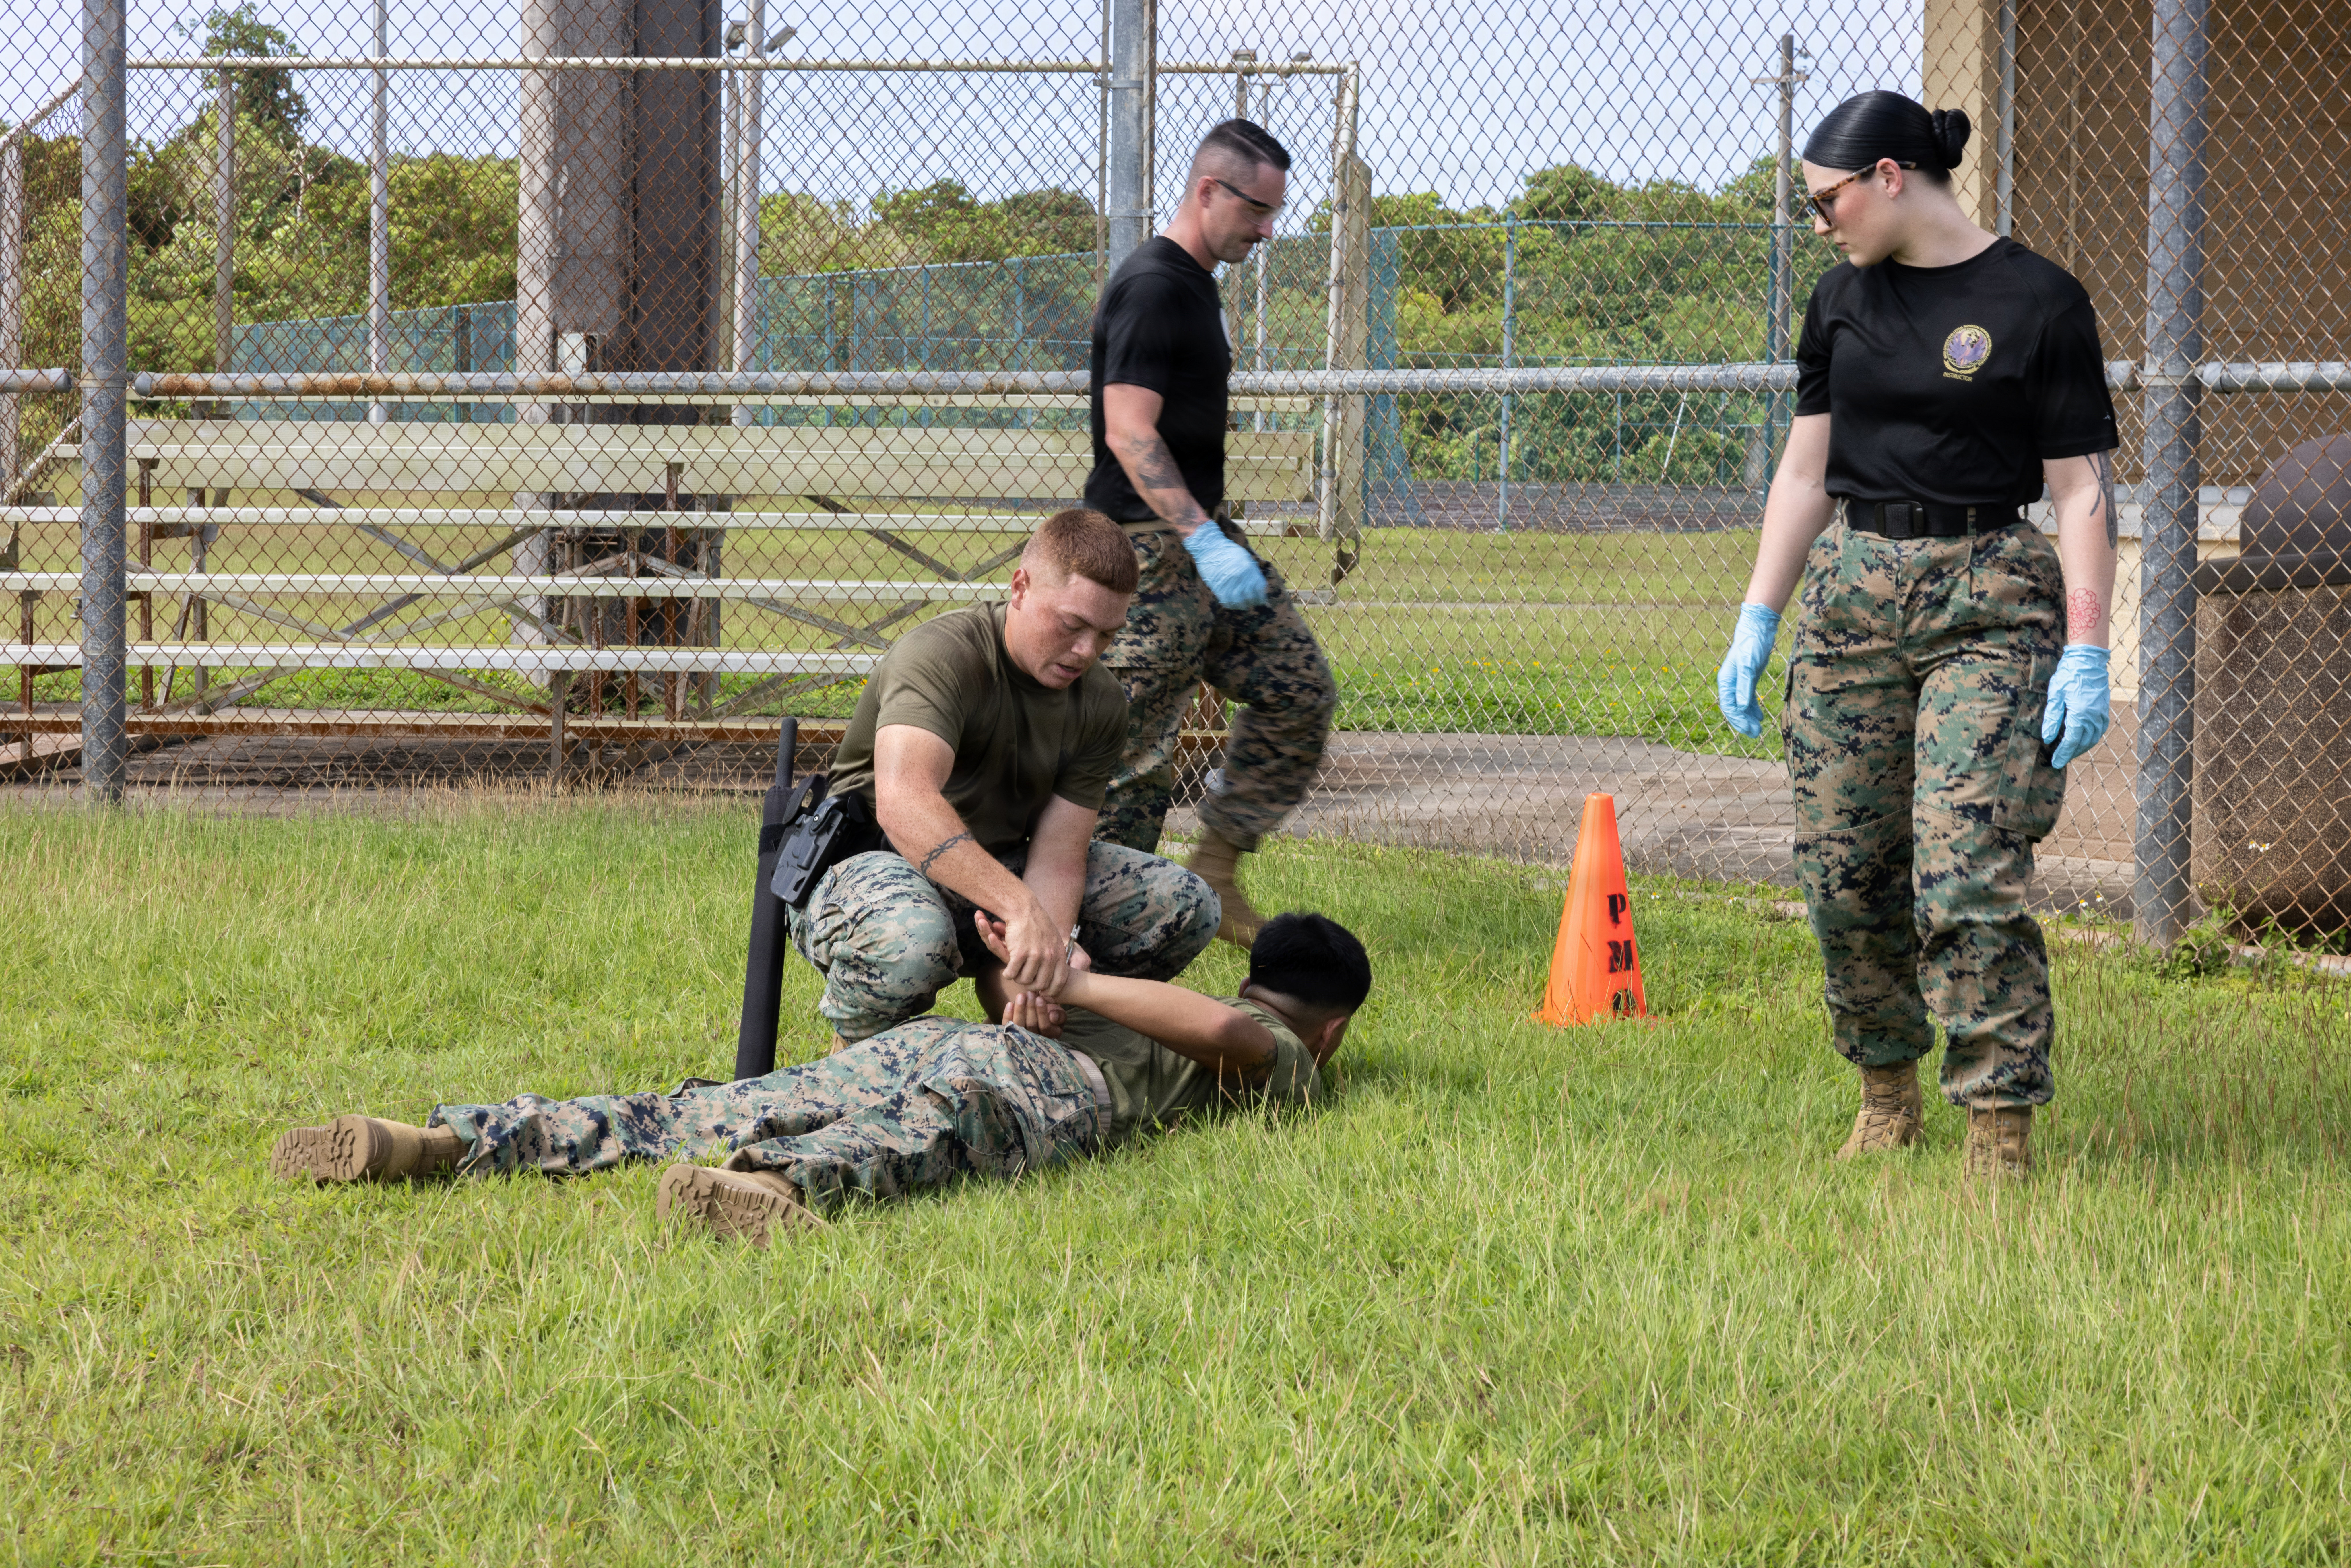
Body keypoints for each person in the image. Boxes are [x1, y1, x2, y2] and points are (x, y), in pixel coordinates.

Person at [1712, 92, 2120, 1181]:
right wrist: (1759, 613)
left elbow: (2080, 491)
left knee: (1966, 872)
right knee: (1846, 873)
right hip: (1852, 599)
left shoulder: (2039, 300)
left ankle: (1997, 1130)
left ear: (1890, 176)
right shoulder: (1839, 301)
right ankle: (1886, 1095)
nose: (1820, 221)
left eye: (1826, 200)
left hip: (1989, 598)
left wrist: (2088, 645)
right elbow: (1805, 471)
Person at [266, 911, 1373, 1246]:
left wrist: (1056, 974)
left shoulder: (1211, 1017)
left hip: (942, 1033)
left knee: (709, 1102)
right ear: (1327, 1035)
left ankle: (453, 1141)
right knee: (911, 1137)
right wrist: (1075, 975)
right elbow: (1224, 1030)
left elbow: (1010, 998)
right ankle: (775, 1187)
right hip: (1039, 1077)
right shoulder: (1283, 1061)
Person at [784, 507, 1218, 1046]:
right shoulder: (942, 656)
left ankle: (1037, 1016)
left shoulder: (1101, 700)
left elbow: (1060, 854)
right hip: (869, 870)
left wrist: (1045, 958)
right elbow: (904, 802)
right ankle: (850, 1063)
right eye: (1072, 624)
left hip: (991, 879)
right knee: (913, 940)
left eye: (1107, 634)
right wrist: (1021, 910)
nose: (1088, 651)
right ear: (1020, 588)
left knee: (1185, 905)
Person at [1086, 117, 1339, 950]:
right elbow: (1129, 429)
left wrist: (1212, 538)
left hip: (1198, 542)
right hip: (1145, 550)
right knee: (1131, 765)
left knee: (1298, 686)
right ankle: (1099, 939)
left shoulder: (1197, 282)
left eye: (1274, 212)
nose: (1269, 228)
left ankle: (1216, 875)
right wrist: (1201, 538)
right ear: (1208, 191)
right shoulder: (1155, 286)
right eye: (1258, 210)